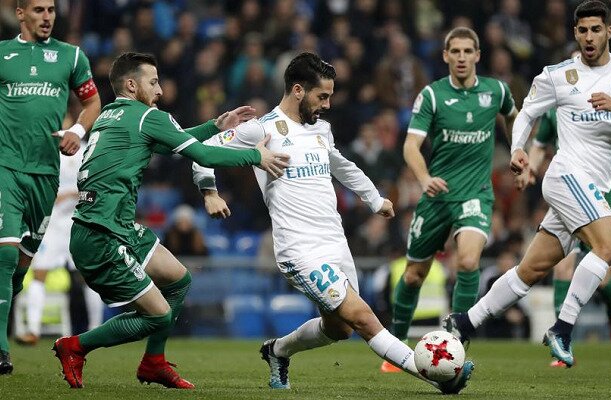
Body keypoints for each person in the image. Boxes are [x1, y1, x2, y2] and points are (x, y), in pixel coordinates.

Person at [192, 52, 474, 394]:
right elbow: (201, 149)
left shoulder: (320, 129)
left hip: (335, 243)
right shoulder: (261, 129)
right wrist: (209, 193)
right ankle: (440, 375)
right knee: (364, 318)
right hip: (299, 250)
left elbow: (341, 165)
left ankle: (277, 350)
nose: (326, 104)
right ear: (298, 90)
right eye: (321, 96)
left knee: (340, 329)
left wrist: (374, 199)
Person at [51, 52, 290, 389]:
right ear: (132, 85)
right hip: (102, 234)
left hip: (111, 225)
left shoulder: (108, 115)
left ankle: (154, 362)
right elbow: (202, 154)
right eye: (153, 82)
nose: (160, 90)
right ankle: (74, 346)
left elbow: (166, 142)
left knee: (178, 279)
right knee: (159, 314)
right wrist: (256, 155)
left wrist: (215, 126)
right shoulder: (148, 116)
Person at [444, 0, 611, 368]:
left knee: (530, 270)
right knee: (610, 244)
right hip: (565, 176)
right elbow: (526, 111)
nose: (588, 37)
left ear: (609, 32)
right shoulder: (558, 75)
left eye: (595, 29)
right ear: (575, 33)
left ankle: (464, 322)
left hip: (591, 184)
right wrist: (517, 150)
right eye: (582, 30)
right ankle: (562, 327)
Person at [384, 26, 517, 373]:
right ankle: (395, 348)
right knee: (414, 275)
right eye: (454, 52)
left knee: (469, 262)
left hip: (475, 194)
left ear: (477, 55)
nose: (461, 58)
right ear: (445, 56)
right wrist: (425, 178)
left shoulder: (496, 91)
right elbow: (411, 146)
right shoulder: (432, 96)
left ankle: (456, 342)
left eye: (467, 51)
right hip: (437, 196)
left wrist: (519, 152)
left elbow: (514, 118)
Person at [0, 0, 102, 374]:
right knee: (7, 254)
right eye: (39, 10)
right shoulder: (2, 54)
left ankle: (7, 300)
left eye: (51, 11)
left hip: (46, 174)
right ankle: (1, 350)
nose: (47, 17)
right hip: (6, 167)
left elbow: (92, 102)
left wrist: (77, 130)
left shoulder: (71, 57)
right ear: (21, 13)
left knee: (20, 267)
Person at [516, 106, 611, 366]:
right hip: (569, 193)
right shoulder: (557, 109)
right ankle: (563, 340)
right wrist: (532, 168)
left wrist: (607, 171)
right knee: (562, 268)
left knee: (603, 279)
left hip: (600, 197)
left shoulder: (603, 108)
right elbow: (539, 145)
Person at [15, 145, 105, 346]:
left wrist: (74, 195)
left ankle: (97, 330)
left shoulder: (88, 149)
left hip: (78, 221)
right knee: (39, 273)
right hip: (52, 222)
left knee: (88, 276)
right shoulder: (45, 150)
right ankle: (33, 330)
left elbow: (96, 187)